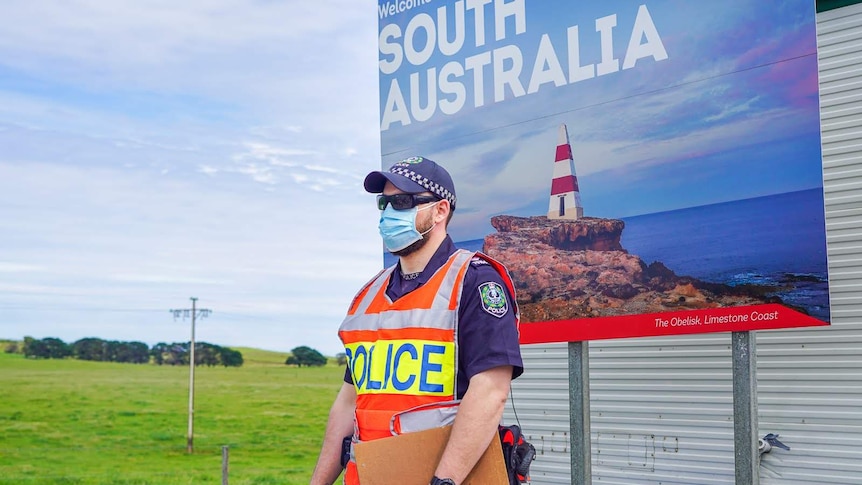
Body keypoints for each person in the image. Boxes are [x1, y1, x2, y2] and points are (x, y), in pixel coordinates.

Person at [310, 156, 523, 485]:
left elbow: (490, 391)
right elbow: (348, 402)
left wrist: (445, 481)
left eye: (403, 202)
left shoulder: (475, 281)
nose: (389, 213)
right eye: (384, 203)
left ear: (440, 211)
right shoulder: (368, 294)